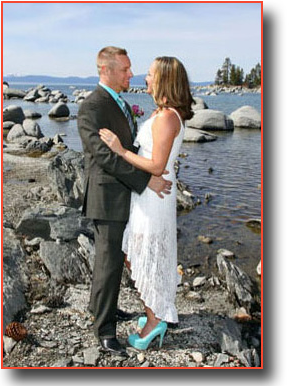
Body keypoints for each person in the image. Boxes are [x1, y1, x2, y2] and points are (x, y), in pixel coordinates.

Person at [77, 46, 172, 356]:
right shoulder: (92, 106)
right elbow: (104, 157)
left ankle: (101, 309)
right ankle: (104, 332)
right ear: (106, 71)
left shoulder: (118, 102)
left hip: (122, 195)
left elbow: (126, 146)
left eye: (131, 69)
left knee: (112, 261)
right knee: (108, 263)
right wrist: (147, 181)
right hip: (107, 198)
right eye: (125, 69)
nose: (131, 74)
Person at [99, 56, 194, 350]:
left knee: (143, 252)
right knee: (142, 252)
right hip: (149, 194)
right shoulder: (164, 113)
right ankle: (156, 311)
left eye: (151, 75)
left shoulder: (167, 118)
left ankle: (155, 321)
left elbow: (156, 165)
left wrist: (119, 150)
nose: (146, 78)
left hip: (155, 197)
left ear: (165, 79)